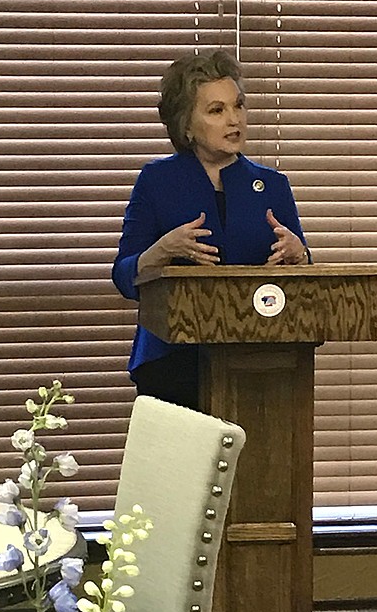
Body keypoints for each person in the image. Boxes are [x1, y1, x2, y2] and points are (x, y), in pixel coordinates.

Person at [112, 48, 310, 409]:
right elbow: (124, 276)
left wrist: (299, 255)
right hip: (172, 362)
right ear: (186, 124)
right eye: (217, 110)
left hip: (261, 360)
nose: (234, 120)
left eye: (238, 106)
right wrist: (162, 250)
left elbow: (305, 277)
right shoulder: (156, 182)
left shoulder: (273, 186)